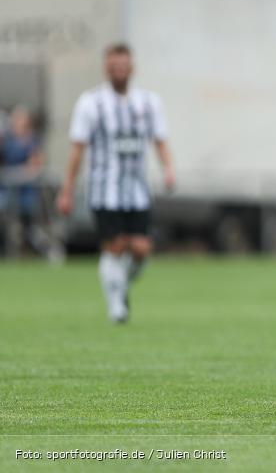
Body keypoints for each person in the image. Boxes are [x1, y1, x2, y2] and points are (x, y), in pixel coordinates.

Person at [56, 43, 174, 323]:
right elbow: (77, 150)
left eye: (123, 65)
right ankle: (116, 306)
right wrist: (67, 190)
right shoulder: (91, 102)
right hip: (104, 189)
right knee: (116, 246)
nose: (119, 70)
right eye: (114, 66)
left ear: (131, 68)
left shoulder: (148, 102)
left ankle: (119, 286)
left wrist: (168, 169)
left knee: (142, 249)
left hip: (137, 190)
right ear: (106, 68)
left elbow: (160, 140)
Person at [0, 106, 45, 255]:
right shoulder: (7, 141)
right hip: (7, 190)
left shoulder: (32, 141)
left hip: (27, 191)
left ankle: (30, 247)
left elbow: (35, 165)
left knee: (29, 220)